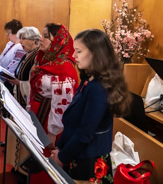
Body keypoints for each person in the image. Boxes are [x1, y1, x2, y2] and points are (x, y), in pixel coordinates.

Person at [51, 29, 132, 183]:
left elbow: (85, 132)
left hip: (88, 162)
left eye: (78, 51)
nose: (73, 56)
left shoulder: (98, 88)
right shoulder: (88, 80)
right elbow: (73, 124)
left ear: (96, 53)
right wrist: (60, 147)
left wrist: (61, 156)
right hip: (79, 155)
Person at [28, 23, 78, 147]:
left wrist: (53, 132)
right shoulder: (45, 59)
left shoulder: (65, 67)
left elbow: (62, 104)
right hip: (38, 115)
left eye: (46, 36)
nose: (41, 39)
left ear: (58, 41)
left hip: (49, 122)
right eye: (42, 35)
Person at [5, 26, 41, 173]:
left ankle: (23, 169)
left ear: (34, 40)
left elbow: (35, 83)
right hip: (18, 97)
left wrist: (20, 83)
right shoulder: (27, 54)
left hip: (26, 101)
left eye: (23, 39)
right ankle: (16, 165)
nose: (20, 42)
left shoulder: (37, 56)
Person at [0, 19, 26, 92]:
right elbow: (0, 59)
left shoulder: (20, 47)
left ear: (17, 33)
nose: (7, 36)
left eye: (8, 33)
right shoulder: (10, 44)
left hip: (7, 81)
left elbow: (12, 67)